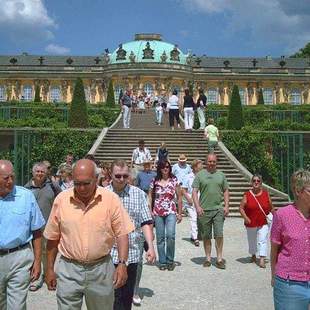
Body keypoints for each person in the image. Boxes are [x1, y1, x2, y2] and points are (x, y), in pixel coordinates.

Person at [44, 159, 135, 310]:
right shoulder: (61, 200)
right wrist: (49, 269)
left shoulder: (110, 200)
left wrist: (122, 264)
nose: (81, 188)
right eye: (77, 183)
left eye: (86, 183)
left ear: (96, 179)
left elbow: (122, 233)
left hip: (101, 269)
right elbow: (53, 238)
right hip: (69, 269)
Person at [106, 160, 156, 309]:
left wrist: (151, 248)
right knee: (111, 297)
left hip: (132, 253)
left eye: (125, 176)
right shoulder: (102, 194)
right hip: (108, 254)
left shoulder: (139, 194)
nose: (122, 179)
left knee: (126, 298)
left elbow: (145, 222)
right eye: (118, 176)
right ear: (110, 174)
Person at [0, 160, 45, 309]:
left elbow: (37, 231)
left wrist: (37, 262)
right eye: (6, 178)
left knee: (17, 306)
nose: (11, 181)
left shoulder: (26, 196)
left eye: (12, 176)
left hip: (19, 257)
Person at [271, 169, 310, 310]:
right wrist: (273, 276)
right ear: (298, 191)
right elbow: (274, 249)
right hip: (289, 285)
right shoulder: (282, 215)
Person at [24, 162, 62, 291]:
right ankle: (37, 277)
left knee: (48, 252)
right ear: (33, 173)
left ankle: (48, 275)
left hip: (49, 226)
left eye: (42, 171)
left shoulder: (53, 186)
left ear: (46, 173)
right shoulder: (26, 188)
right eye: (37, 171)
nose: (40, 174)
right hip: (32, 229)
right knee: (35, 253)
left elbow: (61, 202)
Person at [192, 154, 230, 269]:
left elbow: (226, 191)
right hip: (205, 210)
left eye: (213, 161)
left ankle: (219, 258)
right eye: (209, 161)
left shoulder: (221, 175)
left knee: (219, 234)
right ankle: (208, 258)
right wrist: (197, 207)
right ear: (206, 162)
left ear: (216, 162)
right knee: (206, 235)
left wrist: (226, 206)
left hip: (218, 209)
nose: (211, 163)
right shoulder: (200, 175)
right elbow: (194, 192)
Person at [149, 160, 183, 271]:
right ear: (159, 168)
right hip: (158, 211)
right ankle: (162, 261)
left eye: (167, 167)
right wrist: (150, 210)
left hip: (171, 211)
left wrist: (180, 213)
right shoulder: (155, 180)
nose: (165, 169)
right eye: (163, 167)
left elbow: (179, 197)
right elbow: (150, 196)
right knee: (160, 238)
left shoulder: (174, 180)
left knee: (170, 235)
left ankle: (170, 260)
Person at [239, 174, 274, 268]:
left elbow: (271, 207)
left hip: (263, 222)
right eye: (254, 180)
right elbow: (241, 208)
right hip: (251, 222)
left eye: (258, 181)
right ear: (251, 182)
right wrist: (246, 218)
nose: (256, 182)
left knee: (263, 240)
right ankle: (253, 254)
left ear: (261, 183)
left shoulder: (266, 194)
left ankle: (262, 259)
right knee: (252, 240)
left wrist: (277, 217)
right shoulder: (247, 195)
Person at [181, 159, 204, 246]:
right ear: (194, 167)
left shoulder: (202, 176)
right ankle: (195, 238)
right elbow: (183, 189)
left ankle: (193, 235)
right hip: (190, 199)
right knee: (193, 218)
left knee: (199, 218)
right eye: (200, 166)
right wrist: (188, 198)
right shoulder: (188, 177)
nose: (201, 167)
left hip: (200, 198)